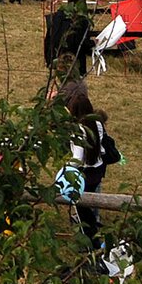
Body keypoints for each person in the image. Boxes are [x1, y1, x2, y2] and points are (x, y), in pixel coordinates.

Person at [61, 80, 111, 240]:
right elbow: (101, 146)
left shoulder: (78, 131)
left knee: (83, 209)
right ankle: (94, 225)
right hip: (98, 168)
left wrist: (64, 170)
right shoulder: (98, 123)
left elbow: (77, 157)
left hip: (84, 173)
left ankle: (89, 239)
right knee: (93, 201)